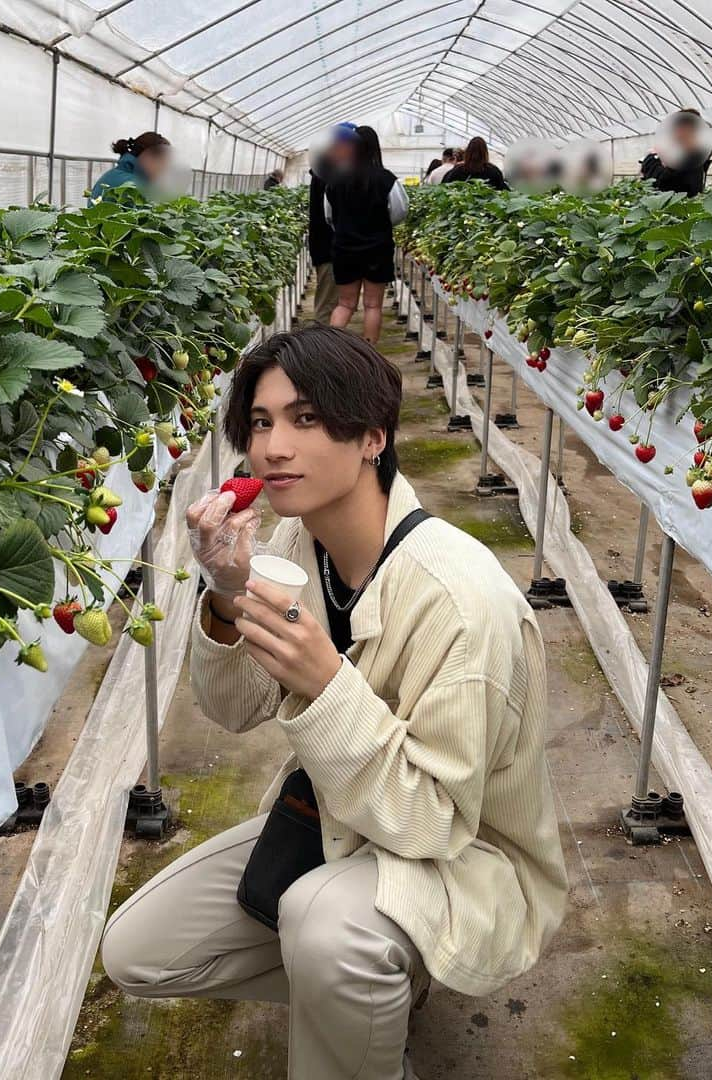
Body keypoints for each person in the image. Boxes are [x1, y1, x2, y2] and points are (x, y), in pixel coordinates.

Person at [100, 325, 568, 1080]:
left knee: (325, 930)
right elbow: (233, 709)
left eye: (307, 420)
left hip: (466, 854)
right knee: (138, 952)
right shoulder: (292, 552)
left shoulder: (460, 602)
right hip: (346, 824)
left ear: (373, 438)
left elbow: (435, 821)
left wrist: (327, 684)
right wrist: (224, 594)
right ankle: (370, 997)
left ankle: (366, 1001)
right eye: (261, 422)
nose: (274, 448)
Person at [322, 126, 409, 344]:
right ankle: (369, 355)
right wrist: (380, 226)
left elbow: (329, 216)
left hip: (344, 249)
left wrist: (345, 229)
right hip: (377, 249)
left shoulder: (335, 180)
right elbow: (400, 211)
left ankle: (330, 352)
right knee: (373, 305)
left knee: (345, 304)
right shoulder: (386, 179)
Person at [308, 123, 357, 325]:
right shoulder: (328, 173)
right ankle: (319, 350)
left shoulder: (325, 169)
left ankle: (324, 347)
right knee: (327, 304)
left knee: (332, 301)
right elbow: (334, 214)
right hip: (329, 248)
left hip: (327, 246)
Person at [639, 109, 711, 197]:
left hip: (686, 204)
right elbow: (658, 181)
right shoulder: (657, 154)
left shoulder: (697, 156)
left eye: (689, 130)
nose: (683, 134)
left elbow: (690, 185)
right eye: (680, 128)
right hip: (661, 203)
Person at [90, 131, 170, 203]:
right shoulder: (134, 187)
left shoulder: (115, 174)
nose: (161, 172)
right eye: (162, 165)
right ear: (148, 157)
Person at [440, 137, 508, 191]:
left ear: (468, 152)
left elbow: (444, 187)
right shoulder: (493, 171)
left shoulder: (457, 170)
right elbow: (503, 190)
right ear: (485, 153)